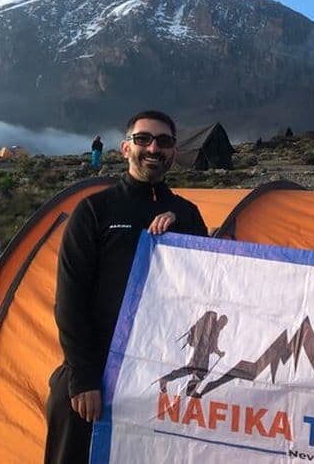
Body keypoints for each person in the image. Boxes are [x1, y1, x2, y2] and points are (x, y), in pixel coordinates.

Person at [45, 110, 208, 463]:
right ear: (124, 148)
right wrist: (84, 377)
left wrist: (180, 232)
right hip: (96, 372)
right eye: (143, 139)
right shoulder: (94, 210)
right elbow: (70, 299)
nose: (153, 148)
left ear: (174, 152)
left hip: (158, 373)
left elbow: (205, 288)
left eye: (164, 142)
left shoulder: (188, 215)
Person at [158, 311, 229, 396]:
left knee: (199, 372)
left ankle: (189, 390)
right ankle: (165, 379)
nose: (223, 326)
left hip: (204, 355)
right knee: (190, 370)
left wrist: (219, 353)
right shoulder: (211, 326)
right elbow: (206, 339)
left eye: (224, 325)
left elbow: (213, 345)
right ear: (220, 320)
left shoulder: (216, 330)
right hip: (200, 353)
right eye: (223, 323)